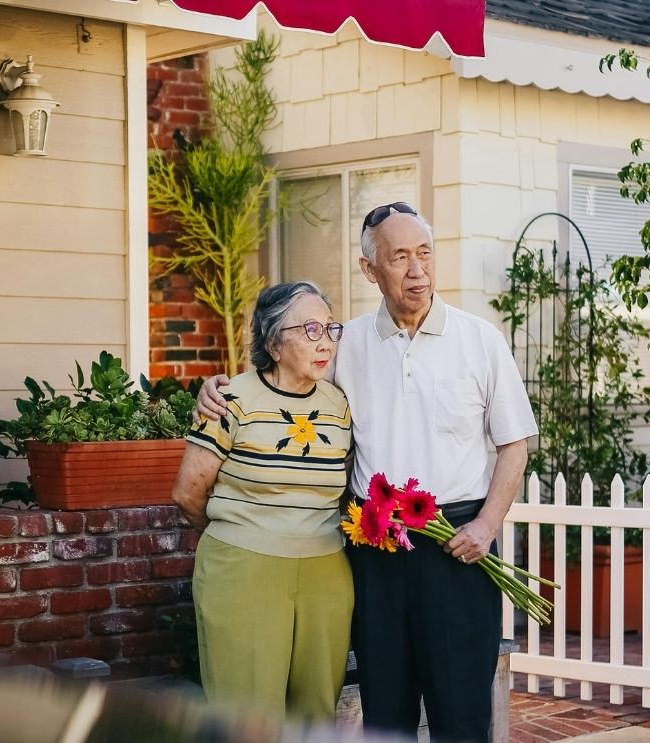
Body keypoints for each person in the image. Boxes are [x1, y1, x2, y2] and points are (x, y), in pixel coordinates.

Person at [197, 203, 537, 742]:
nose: (416, 270)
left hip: (458, 547)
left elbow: (515, 443)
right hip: (372, 549)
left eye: (424, 253)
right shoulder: (344, 343)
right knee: (386, 710)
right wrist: (219, 386)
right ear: (369, 268)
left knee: (462, 713)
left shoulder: (480, 340)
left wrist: (487, 526)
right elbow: (283, 377)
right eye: (399, 257)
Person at [172, 280, 353, 722]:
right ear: (273, 341)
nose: (324, 341)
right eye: (309, 330)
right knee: (248, 718)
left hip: (326, 572)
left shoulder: (339, 404)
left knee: (315, 713)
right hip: (243, 571)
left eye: (331, 329)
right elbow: (188, 493)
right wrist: (242, 535)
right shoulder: (231, 399)